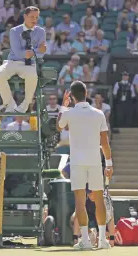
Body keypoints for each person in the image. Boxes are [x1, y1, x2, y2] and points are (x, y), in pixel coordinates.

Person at [57, 81, 113, 250]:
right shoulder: (99, 114)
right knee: (99, 201)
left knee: (80, 202)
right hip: (95, 161)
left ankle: (86, 242)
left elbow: (59, 126)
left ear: (72, 96)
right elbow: (104, 142)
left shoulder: (69, 113)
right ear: (86, 93)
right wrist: (108, 164)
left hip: (77, 163)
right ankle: (102, 240)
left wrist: (63, 106)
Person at [0, 6, 46, 113]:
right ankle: (10, 104)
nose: (34, 20)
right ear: (25, 16)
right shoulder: (14, 31)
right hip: (12, 62)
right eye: (32, 17)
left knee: (33, 76)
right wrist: (36, 51)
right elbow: (18, 52)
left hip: (30, 64)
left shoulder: (41, 32)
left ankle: (25, 104)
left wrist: (33, 52)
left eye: (36, 17)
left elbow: (41, 54)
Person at [62, 162, 115, 247]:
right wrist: (75, 238)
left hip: (100, 220)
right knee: (73, 218)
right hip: (89, 215)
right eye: (90, 192)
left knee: (106, 221)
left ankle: (100, 236)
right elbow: (77, 215)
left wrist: (111, 238)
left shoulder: (103, 199)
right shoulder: (83, 194)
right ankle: (88, 235)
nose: (91, 194)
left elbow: (110, 219)